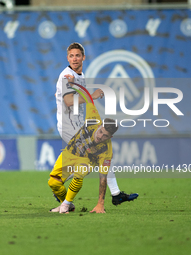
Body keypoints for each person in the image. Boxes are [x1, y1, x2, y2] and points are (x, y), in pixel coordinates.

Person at [54, 42, 138, 208]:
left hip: (78, 125)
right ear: (67, 58)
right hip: (69, 126)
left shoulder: (78, 75)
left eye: (77, 55)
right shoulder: (66, 76)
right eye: (71, 56)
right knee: (94, 157)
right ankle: (61, 192)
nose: (74, 58)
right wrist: (91, 95)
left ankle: (115, 194)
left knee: (101, 155)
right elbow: (69, 101)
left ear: (83, 57)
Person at [49, 99, 117, 213]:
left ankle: (65, 205)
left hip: (87, 160)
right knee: (53, 183)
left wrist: (100, 204)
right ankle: (67, 204)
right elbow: (87, 98)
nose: (100, 137)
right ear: (100, 125)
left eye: (105, 136)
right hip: (70, 152)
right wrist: (72, 86)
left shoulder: (106, 151)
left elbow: (103, 178)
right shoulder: (93, 118)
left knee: (79, 173)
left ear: (110, 138)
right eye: (101, 131)